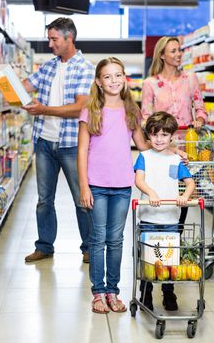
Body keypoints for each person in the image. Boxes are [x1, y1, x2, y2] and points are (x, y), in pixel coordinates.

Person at [77, 57, 151, 314]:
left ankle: (112, 291)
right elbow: (83, 150)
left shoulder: (131, 110)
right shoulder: (90, 109)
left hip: (122, 185)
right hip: (96, 184)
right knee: (97, 239)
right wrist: (83, 186)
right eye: (107, 76)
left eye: (118, 75)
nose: (114, 81)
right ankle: (98, 292)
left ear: (124, 78)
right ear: (98, 81)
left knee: (116, 239)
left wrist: (171, 149)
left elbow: (142, 145)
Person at [22, 17, 95, 263]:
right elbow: (25, 86)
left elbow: (79, 108)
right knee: (44, 200)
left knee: (81, 198)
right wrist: (0, 79)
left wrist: (44, 109)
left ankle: (88, 247)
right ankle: (44, 246)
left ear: (69, 38)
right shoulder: (48, 66)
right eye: (49, 39)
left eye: (54, 39)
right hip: (44, 141)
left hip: (72, 144)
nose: (50, 44)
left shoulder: (84, 68)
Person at [141, 36, 207, 226]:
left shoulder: (190, 79)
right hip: (162, 147)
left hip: (188, 145)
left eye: (179, 50)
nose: (179, 54)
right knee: (165, 189)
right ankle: (162, 233)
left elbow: (200, 108)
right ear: (162, 55)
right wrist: (158, 133)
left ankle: (176, 234)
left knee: (184, 191)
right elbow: (145, 117)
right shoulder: (150, 83)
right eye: (173, 51)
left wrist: (200, 120)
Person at [134, 111, 195, 311]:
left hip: (170, 218)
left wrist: (185, 196)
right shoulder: (144, 157)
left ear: (172, 137)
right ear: (148, 136)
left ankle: (168, 292)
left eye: (164, 135)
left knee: (169, 257)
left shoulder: (176, 160)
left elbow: (190, 183)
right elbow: (139, 180)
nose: (159, 139)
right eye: (154, 135)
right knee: (149, 257)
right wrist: (150, 192)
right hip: (149, 218)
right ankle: (146, 291)